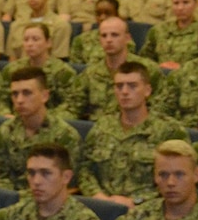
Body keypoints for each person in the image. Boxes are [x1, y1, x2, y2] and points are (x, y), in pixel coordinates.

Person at [80, 61, 187, 207]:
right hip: (101, 205)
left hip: (149, 210)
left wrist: (136, 201)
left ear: (147, 90)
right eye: (119, 86)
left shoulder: (169, 131)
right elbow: (85, 169)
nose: (124, 91)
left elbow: (179, 179)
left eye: (132, 86)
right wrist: (97, 195)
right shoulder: (102, 126)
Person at [0, 66, 81, 186]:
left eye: (27, 93)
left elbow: (66, 184)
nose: (19, 100)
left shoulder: (65, 136)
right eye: (15, 94)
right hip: (11, 200)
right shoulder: (5, 131)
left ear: (45, 96)